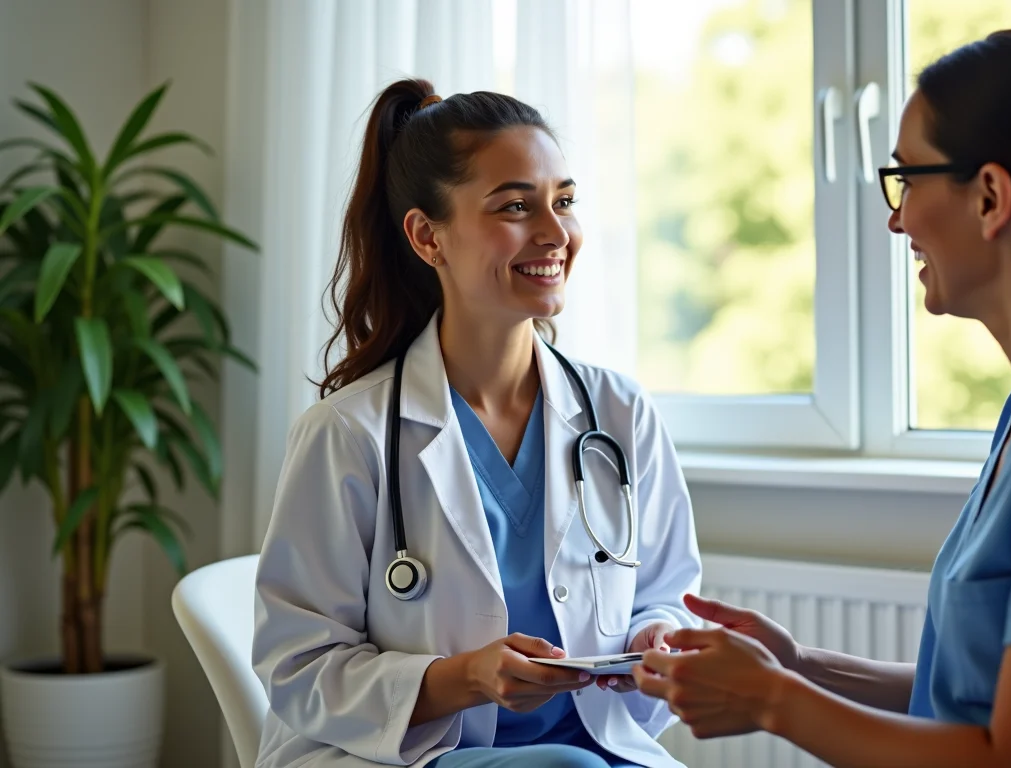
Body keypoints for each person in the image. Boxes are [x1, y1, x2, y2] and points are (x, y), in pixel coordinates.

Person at [634, 28, 1011, 767]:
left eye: (908, 180)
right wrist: (796, 665)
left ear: (990, 196)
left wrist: (771, 701)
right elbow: (973, 700)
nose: (896, 219)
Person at [252, 80, 702, 768]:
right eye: (517, 206)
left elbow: (665, 592)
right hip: (407, 754)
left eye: (565, 202)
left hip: (592, 742)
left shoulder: (620, 414)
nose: (556, 233)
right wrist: (464, 677)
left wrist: (656, 637)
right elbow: (297, 667)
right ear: (427, 236)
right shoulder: (349, 433)